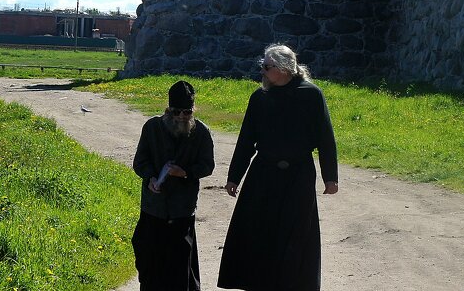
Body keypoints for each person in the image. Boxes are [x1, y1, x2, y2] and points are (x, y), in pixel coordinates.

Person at [217, 44, 338, 291]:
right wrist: (234, 177)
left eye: (267, 67)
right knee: (260, 230)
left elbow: (325, 138)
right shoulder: (260, 97)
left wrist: (330, 178)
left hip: (298, 174)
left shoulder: (311, 94)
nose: (262, 71)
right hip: (263, 174)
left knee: (296, 232)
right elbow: (246, 139)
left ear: (284, 68)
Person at [132, 79, 216, 291]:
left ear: (192, 111)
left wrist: (185, 173)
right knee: (149, 261)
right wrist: (151, 177)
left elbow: (207, 165)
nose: (181, 117)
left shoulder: (202, 132)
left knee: (179, 266)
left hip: (182, 209)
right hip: (154, 207)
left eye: (186, 112)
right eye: (176, 112)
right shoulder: (152, 127)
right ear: (168, 110)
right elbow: (140, 161)